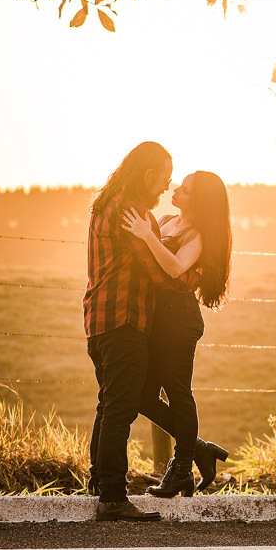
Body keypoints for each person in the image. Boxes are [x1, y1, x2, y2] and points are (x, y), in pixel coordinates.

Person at [123, 170, 231, 497]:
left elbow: (173, 268)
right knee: (142, 395)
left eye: (184, 189)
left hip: (179, 319)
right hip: (156, 319)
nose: (175, 190)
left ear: (199, 201)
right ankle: (199, 449)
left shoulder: (197, 236)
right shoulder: (166, 220)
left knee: (178, 392)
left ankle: (182, 467)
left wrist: (147, 236)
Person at [84, 141, 173, 522]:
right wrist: (188, 271)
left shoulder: (108, 202)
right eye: (164, 178)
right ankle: (113, 498)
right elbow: (157, 273)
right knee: (120, 411)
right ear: (149, 174)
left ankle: (99, 484)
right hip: (125, 319)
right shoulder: (132, 211)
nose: (166, 187)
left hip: (99, 321)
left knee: (109, 405)